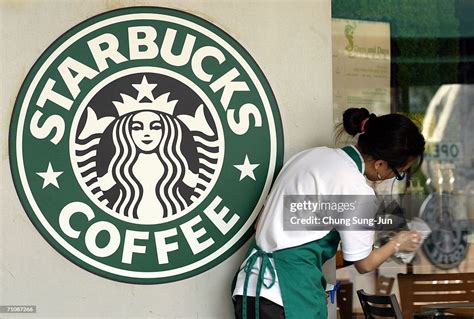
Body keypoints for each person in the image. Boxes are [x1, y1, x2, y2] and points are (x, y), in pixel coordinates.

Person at [231, 108, 426, 319]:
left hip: (250, 289)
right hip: (287, 297)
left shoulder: (310, 156)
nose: (390, 179)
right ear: (380, 164)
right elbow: (364, 263)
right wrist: (398, 243)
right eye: (398, 173)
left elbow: (261, 223)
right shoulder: (355, 188)